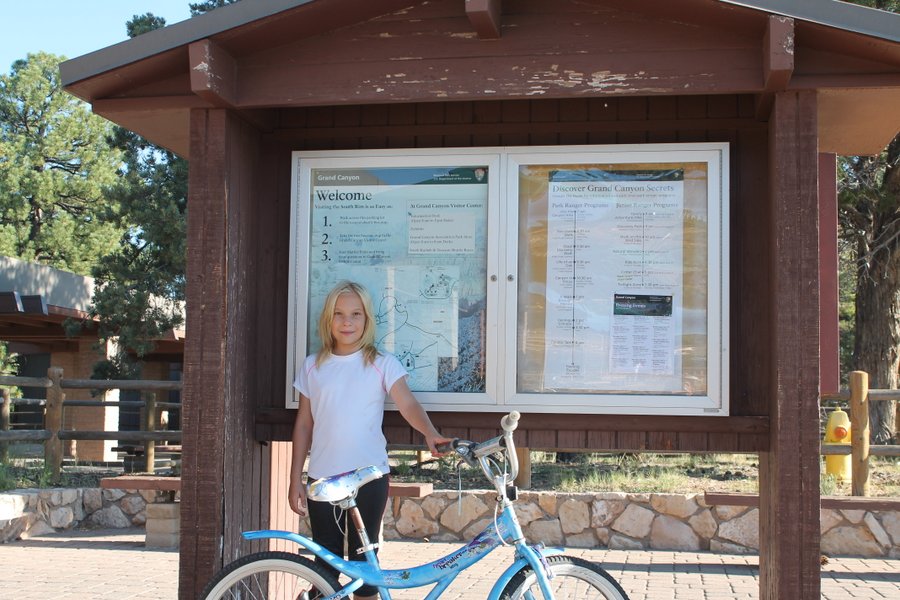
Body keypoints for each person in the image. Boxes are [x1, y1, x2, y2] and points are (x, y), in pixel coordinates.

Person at [288, 280, 452, 600]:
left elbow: (408, 404)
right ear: (328, 319)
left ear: (367, 320)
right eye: (338, 314)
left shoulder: (381, 363)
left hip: (370, 476)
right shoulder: (313, 366)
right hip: (323, 478)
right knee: (325, 564)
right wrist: (295, 478)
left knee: (365, 563)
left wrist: (430, 433)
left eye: (355, 314)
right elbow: (304, 424)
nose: (347, 322)